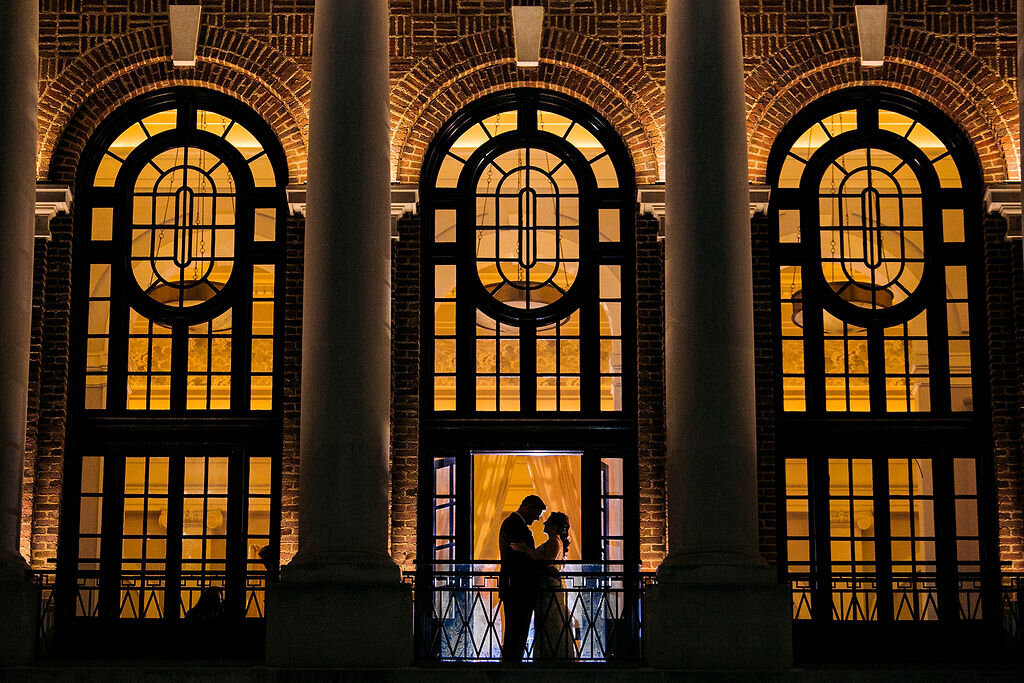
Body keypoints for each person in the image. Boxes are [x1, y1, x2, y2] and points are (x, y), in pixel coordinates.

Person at [512, 511, 575, 661]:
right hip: (548, 587)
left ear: (554, 527)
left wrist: (526, 550)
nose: (544, 524)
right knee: (548, 622)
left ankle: (549, 656)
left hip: (548, 588)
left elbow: (548, 561)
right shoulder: (556, 541)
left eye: (548, 522)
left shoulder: (554, 541)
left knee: (548, 622)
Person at [498, 494, 546, 662]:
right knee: (516, 628)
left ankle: (512, 661)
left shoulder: (514, 524)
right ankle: (512, 664)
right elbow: (520, 558)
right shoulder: (513, 525)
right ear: (527, 507)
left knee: (517, 628)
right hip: (517, 586)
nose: (537, 519)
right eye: (536, 514)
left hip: (517, 586)